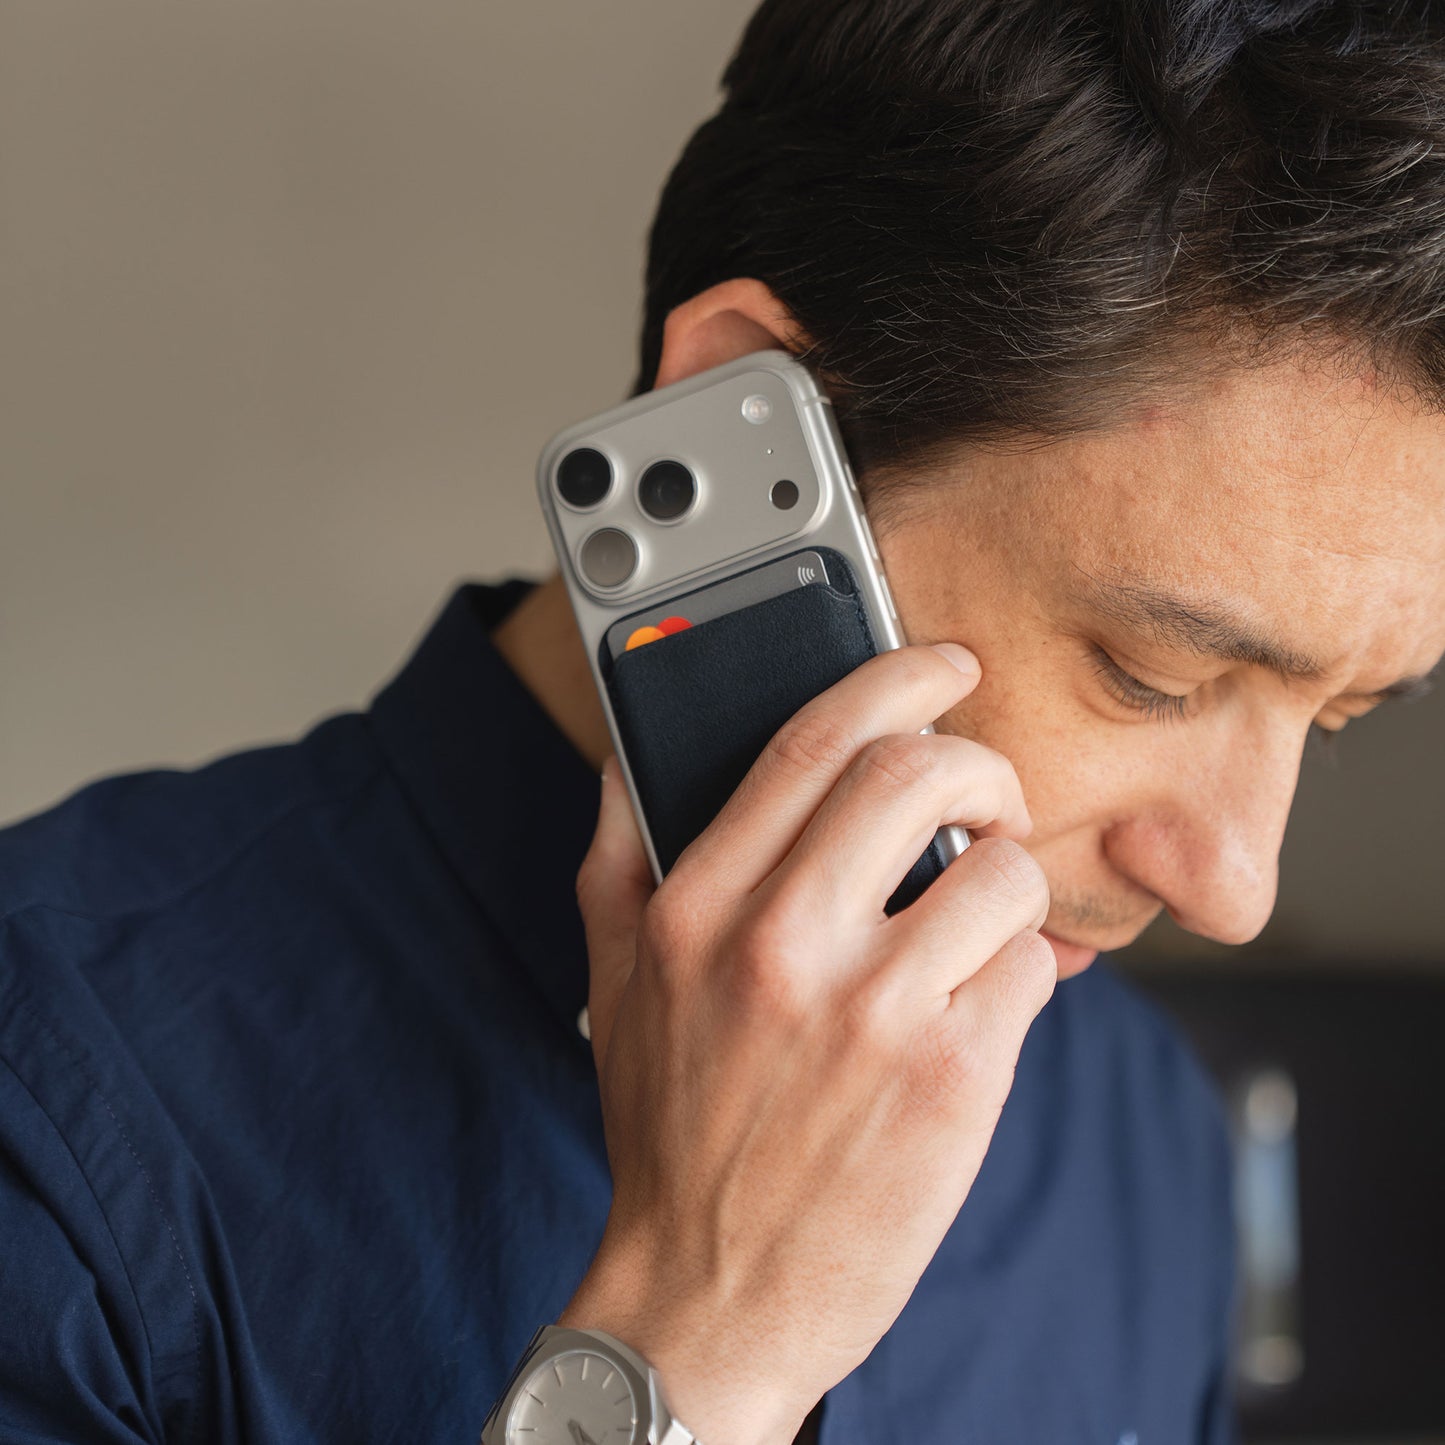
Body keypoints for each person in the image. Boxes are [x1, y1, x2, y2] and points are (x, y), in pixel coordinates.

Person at [3, 1, 1443, 1441]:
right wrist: (698, 1332)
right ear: (740, 414)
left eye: (1340, 717)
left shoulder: (1147, 1143)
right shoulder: (53, 1110)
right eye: (1151, 674)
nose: (1236, 886)